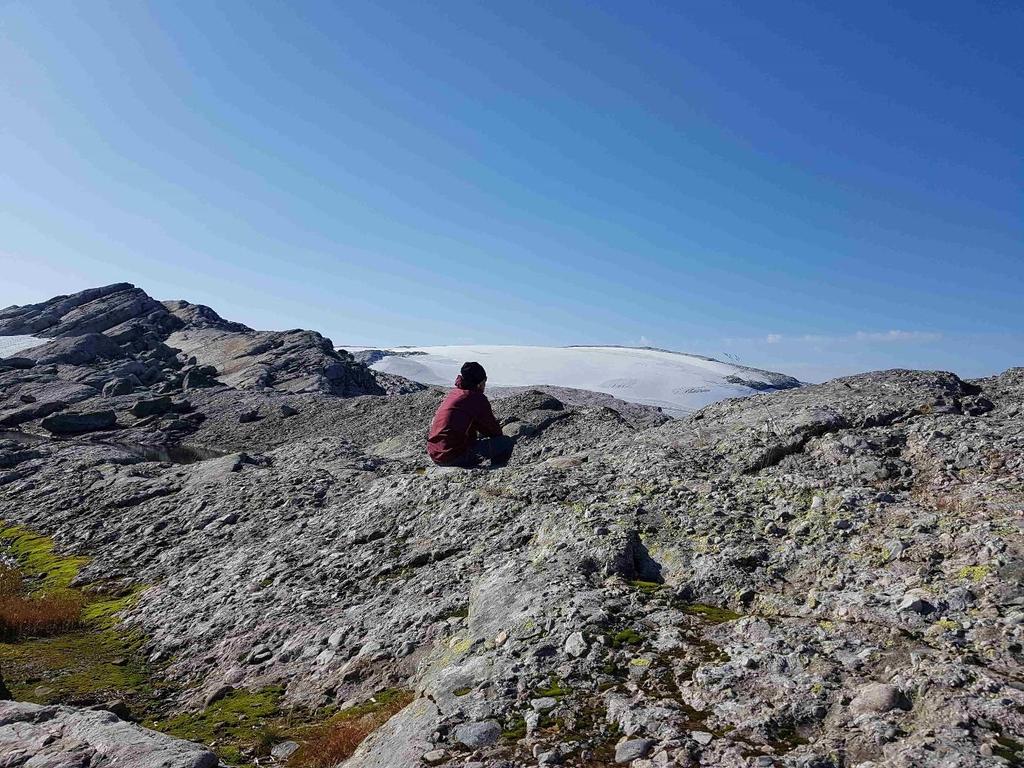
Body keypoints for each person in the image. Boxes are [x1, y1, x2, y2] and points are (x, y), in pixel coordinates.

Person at [427, 362, 513, 468]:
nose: (484, 386)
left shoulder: (454, 393)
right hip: (452, 456)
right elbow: (493, 431)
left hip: (435, 452)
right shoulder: (476, 398)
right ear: (479, 383)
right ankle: (496, 470)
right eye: (484, 382)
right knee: (505, 443)